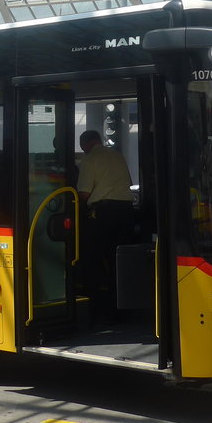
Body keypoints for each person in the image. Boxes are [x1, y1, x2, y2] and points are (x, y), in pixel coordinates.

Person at [76, 129, 136, 317]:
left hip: (103, 213)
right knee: (118, 260)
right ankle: (122, 306)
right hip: (126, 212)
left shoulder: (89, 159)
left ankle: (97, 307)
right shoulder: (118, 156)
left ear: (85, 144)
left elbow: (84, 194)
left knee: (92, 259)